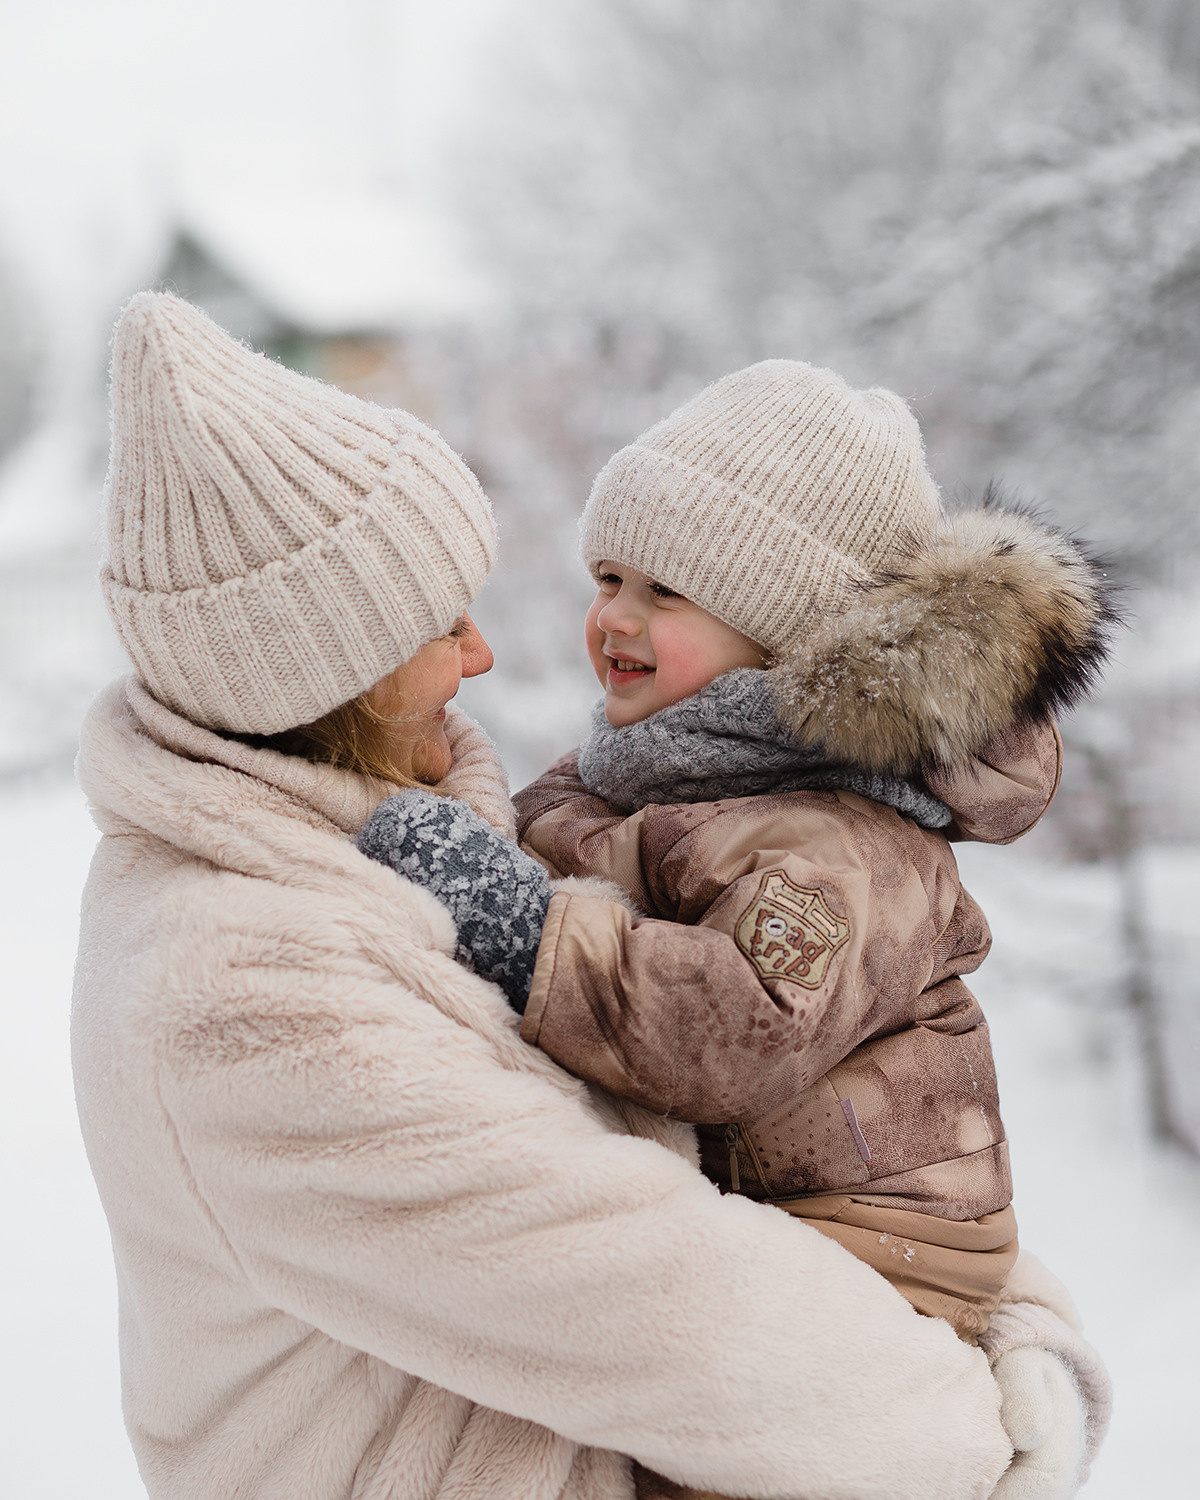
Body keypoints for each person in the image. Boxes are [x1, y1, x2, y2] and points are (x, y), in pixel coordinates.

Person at [74, 296, 1105, 1500]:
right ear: (323, 670)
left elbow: (836, 1108)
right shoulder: (247, 988)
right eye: (433, 621)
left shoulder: (812, 843)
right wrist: (983, 1431)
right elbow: (682, 1311)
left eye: (661, 589)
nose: (485, 653)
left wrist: (1007, 1322)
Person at [358, 363, 1115, 1493]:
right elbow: (587, 846)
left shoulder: (839, 839)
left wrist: (518, 921)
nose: (612, 615)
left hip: (872, 1252)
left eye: (666, 591)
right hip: (787, 1220)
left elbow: (741, 1026)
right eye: (608, 574)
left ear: (785, 636)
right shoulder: (661, 770)